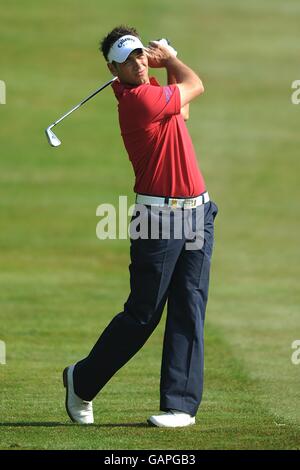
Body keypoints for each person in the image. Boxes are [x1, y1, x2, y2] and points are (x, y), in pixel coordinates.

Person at [63, 25, 218, 428]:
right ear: (115, 69)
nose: (138, 62)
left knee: (190, 305)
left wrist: (163, 66)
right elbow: (195, 85)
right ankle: (81, 380)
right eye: (129, 58)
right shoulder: (137, 101)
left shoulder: (152, 94)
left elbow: (181, 108)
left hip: (198, 213)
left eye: (140, 54)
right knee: (142, 315)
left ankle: (180, 405)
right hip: (160, 219)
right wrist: (172, 60)